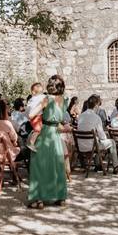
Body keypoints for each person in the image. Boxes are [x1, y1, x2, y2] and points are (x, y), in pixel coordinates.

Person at [27, 76, 68, 209]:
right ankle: (59, 196)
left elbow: (31, 114)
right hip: (55, 135)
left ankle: (38, 198)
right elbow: (60, 121)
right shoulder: (64, 99)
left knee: (39, 165)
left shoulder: (47, 99)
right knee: (56, 165)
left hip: (44, 134)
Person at [76, 95, 118, 169]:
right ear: (96, 105)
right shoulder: (96, 117)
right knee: (111, 142)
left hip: (81, 146)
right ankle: (116, 166)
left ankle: (98, 164)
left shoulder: (80, 116)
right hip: (92, 147)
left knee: (98, 141)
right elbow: (103, 137)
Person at [26, 82, 47, 152]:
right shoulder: (42, 97)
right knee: (38, 130)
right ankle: (31, 142)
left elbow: (27, 109)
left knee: (37, 130)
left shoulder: (30, 100)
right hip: (37, 117)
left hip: (32, 118)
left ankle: (32, 141)